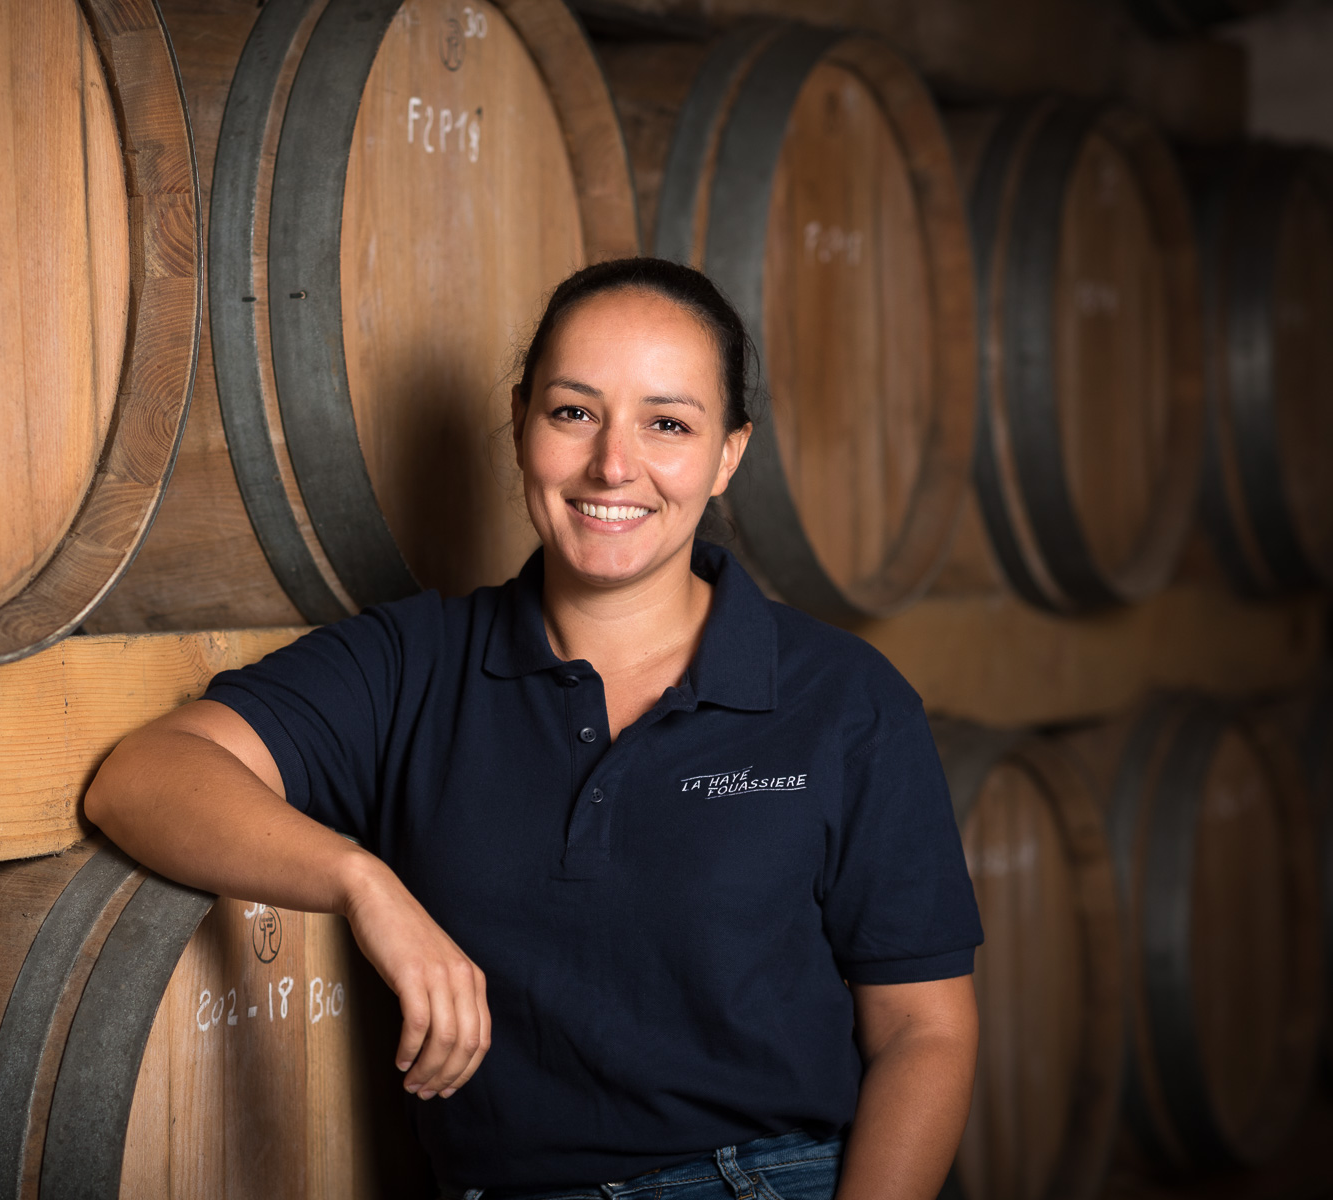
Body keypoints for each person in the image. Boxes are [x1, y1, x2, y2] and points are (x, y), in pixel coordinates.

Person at [85, 257, 982, 1199]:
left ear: (728, 456)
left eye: (667, 424)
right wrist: (363, 884)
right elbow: (143, 777)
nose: (613, 465)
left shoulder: (843, 699)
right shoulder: (415, 664)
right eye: (574, 412)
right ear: (520, 423)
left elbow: (925, 1033)